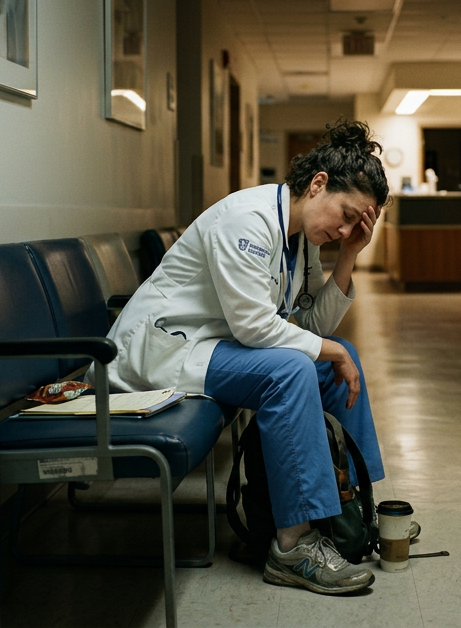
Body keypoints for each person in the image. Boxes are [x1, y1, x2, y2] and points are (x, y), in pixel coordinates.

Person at [106, 120, 389, 594]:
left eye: (354, 224)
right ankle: (293, 545)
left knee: (339, 360)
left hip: (216, 346)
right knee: (293, 367)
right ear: (318, 184)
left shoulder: (300, 238)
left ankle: (355, 509)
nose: (343, 229)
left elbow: (312, 329)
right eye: (345, 215)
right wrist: (329, 349)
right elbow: (257, 328)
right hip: (166, 349)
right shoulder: (249, 219)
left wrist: (348, 256)